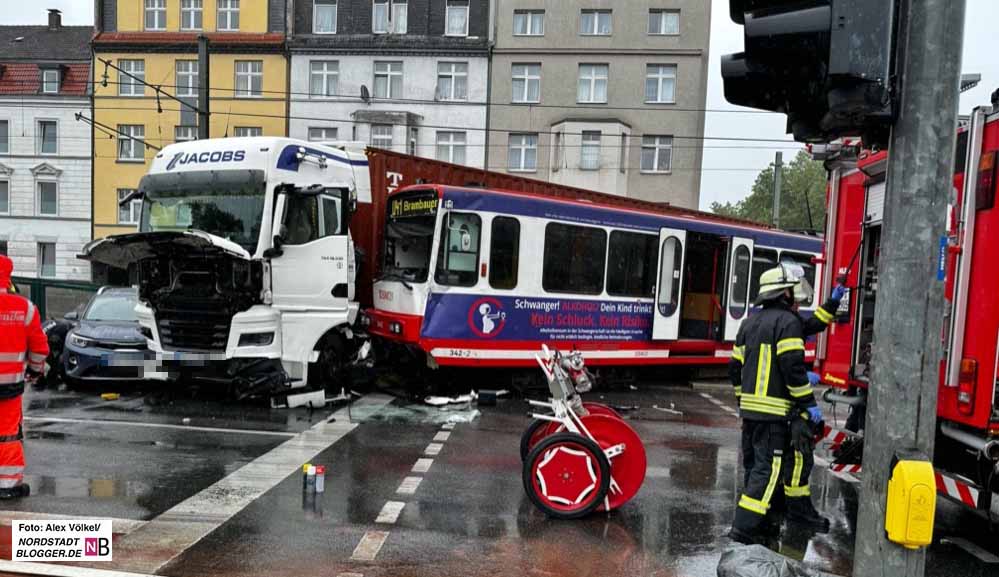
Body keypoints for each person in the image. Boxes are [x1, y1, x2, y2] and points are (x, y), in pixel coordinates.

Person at [727, 264, 824, 545]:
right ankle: (743, 530)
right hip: (774, 416)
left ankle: (765, 525)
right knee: (767, 472)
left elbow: (734, 368)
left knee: (754, 468)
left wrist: (742, 402)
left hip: (752, 414)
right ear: (784, 292)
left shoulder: (749, 323)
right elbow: (792, 368)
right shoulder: (789, 323)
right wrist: (808, 402)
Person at [0, 256, 48, 499]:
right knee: (7, 433)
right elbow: (39, 347)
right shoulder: (25, 308)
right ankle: (7, 484)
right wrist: (35, 369)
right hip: (9, 385)